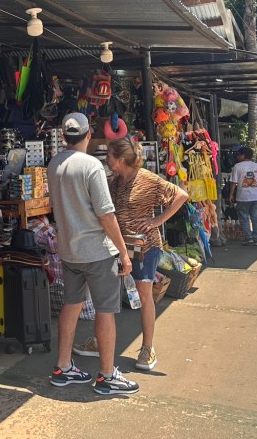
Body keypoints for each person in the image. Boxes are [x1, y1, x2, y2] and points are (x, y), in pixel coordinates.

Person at [46, 112, 137, 397]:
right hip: (96, 251)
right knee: (106, 311)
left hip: (69, 250)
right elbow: (106, 214)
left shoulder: (54, 163)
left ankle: (62, 367)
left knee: (71, 306)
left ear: (64, 136)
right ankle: (107, 375)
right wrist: (123, 252)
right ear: (87, 135)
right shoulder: (92, 166)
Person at [82, 137, 189, 372]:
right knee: (107, 294)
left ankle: (147, 347)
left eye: (109, 155)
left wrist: (157, 220)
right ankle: (99, 341)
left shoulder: (148, 179)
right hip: (117, 246)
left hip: (145, 247)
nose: (106, 159)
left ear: (120, 159)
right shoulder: (114, 182)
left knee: (144, 293)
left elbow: (181, 195)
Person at [226, 146, 257, 245]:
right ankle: (256, 239)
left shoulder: (237, 166)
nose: (237, 157)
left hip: (242, 197)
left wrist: (231, 195)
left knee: (243, 217)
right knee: (255, 218)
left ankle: (249, 238)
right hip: (256, 197)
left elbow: (233, 182)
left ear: (243, 155)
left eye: (239, 155)